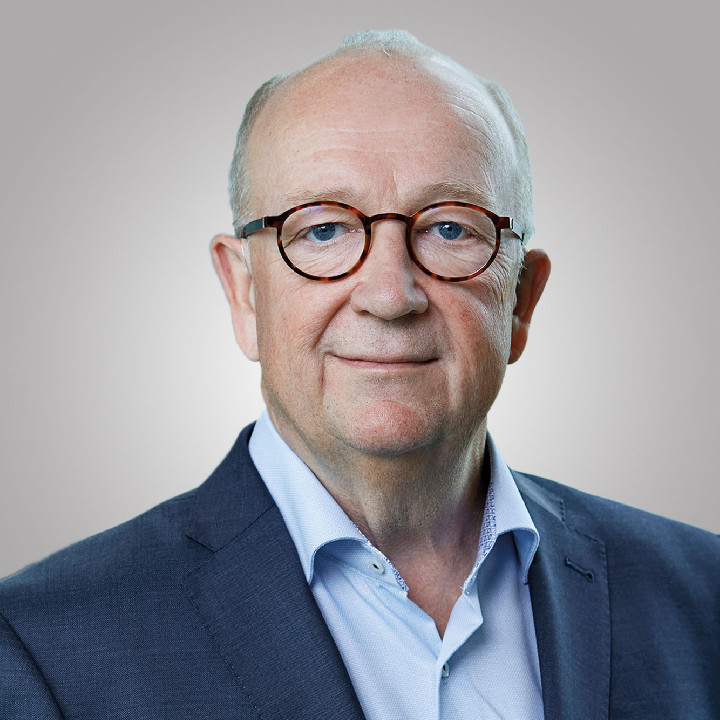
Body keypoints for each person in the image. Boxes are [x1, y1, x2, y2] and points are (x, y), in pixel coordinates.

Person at [1, 29, 717, 720]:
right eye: (323, 229)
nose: (389, 295)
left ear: (521, 301)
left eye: (450, 228)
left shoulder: (704, 595)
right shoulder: (43, 647)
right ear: (244, 293)